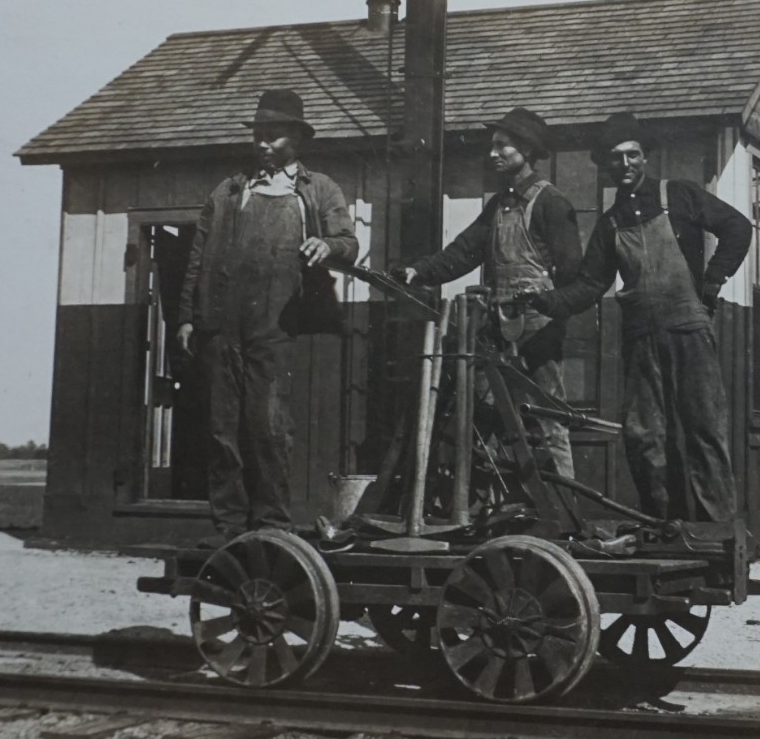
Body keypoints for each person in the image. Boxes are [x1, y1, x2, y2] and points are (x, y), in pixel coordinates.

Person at [526, 112, 752, 522]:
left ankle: (715, 532)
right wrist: (544, 301)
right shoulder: (610, 223)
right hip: (640, 337)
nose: (625, 164)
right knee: (644, 435)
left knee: (703, 429)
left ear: (645, 157)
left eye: (632, 155)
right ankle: (664, 525)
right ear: (606, 165)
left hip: (688, 329)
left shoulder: (679, 195)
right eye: (616, 158)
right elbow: (591, 286)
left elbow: (738, 227)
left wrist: (714, 280)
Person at [175, 89, 359, 541]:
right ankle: (230, 530)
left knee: (268, 429)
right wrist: (186, 317)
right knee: (222, 433)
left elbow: (348, 244)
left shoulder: (318, 190)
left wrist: (327, 246)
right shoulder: (229, 191)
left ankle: (271, 528)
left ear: (296, 138)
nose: (263, 143)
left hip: (276, 327)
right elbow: (197, 258)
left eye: (273, 135)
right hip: (221, 325)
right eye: (258, 134)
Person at [402, 106, 582, 478]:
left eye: (503, 146)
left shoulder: (551, 203)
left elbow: (573, 277)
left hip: (538, 333)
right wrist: (418, 270)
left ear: (528, 151)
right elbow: (463, 252)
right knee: (493, 420)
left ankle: (565, 518)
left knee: (547, 421)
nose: (493, 154)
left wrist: (549, 318)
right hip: (497, 332)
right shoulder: (499, 206)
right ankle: (504, 507)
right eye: (492, 146)